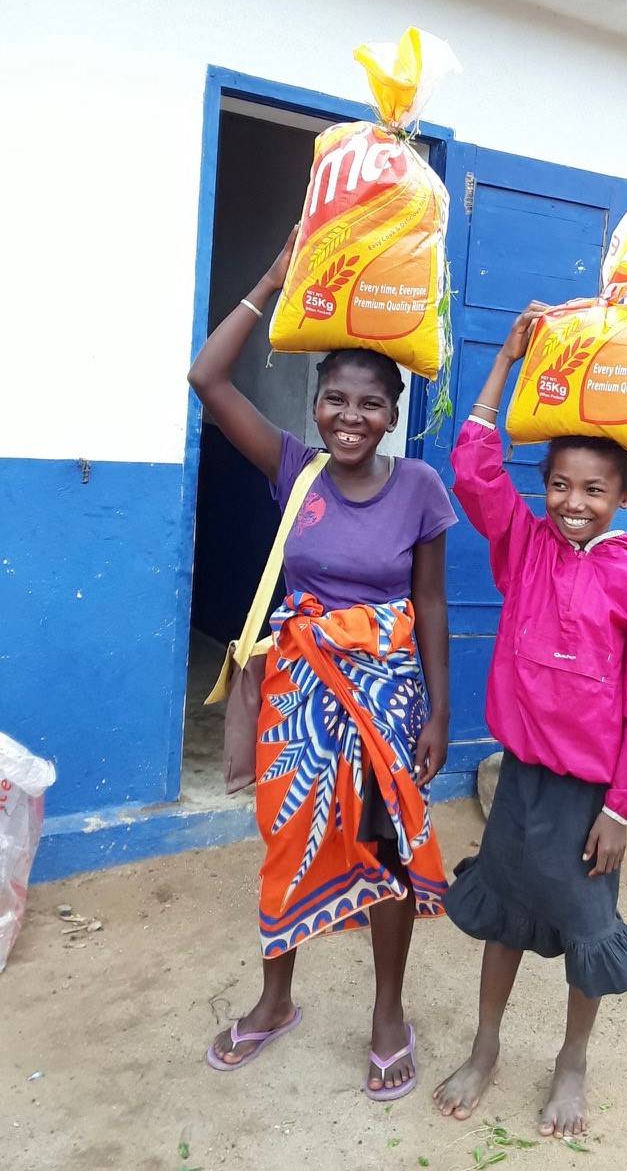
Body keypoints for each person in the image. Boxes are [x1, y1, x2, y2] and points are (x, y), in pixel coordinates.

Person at [188, 226, 457, 1096]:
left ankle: (387, 1012)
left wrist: (443, 715)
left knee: (382, 850)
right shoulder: (292, 471)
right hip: (300, 696)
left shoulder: (418, 486)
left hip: (386, 698)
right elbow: (207, 378)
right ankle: (275, 1001)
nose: (350, 417)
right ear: (316, 405)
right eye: (335, 399)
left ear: (393, 413)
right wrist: (270, 277)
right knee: (289, 838)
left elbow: (432, 605)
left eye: (370, 404)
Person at [433, 305, 627, 1138]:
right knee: (502, 912)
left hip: (589, 801)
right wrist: (504, 360)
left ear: (626, 495)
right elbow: (473, 470)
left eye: (594, 489)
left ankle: (572, 1058)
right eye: (560, 486)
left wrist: (621, 811)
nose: (573, 503)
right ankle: (488, 1042)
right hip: (522, 780)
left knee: (584, 932)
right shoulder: (524, 545)